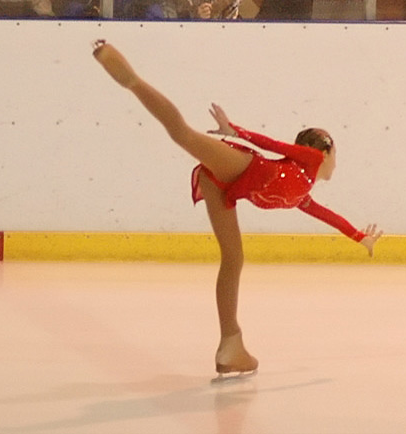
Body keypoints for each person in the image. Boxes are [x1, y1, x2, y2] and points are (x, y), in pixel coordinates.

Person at [90, 39, 382, 377]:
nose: (335, 162)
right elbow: (276, 145)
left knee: (234, 258)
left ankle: (231, 343)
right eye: (336, 154)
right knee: (184, 135)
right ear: (326, 152)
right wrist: (236, 131)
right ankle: (131, 80)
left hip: (223, 185)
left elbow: (325, 215)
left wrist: (360, 237)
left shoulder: (302, 194)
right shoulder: (311, 159)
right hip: (245, 166)